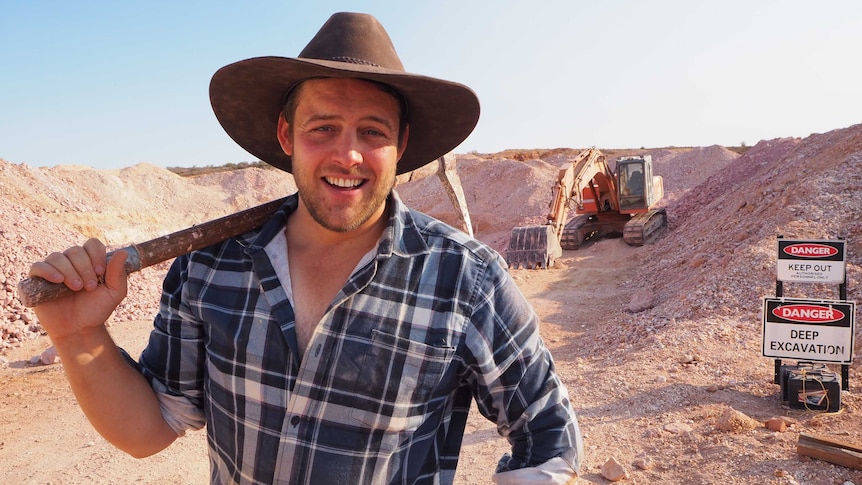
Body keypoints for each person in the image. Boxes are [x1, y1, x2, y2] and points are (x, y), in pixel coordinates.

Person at [28, 12, 583, 484]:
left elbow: (549, 434)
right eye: (323, 129)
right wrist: (77, 334)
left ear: (401, 145)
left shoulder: (467, 279)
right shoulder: (208, 267)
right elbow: (150, 429)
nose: (348, 155)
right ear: (287, 136)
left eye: (372, 131)